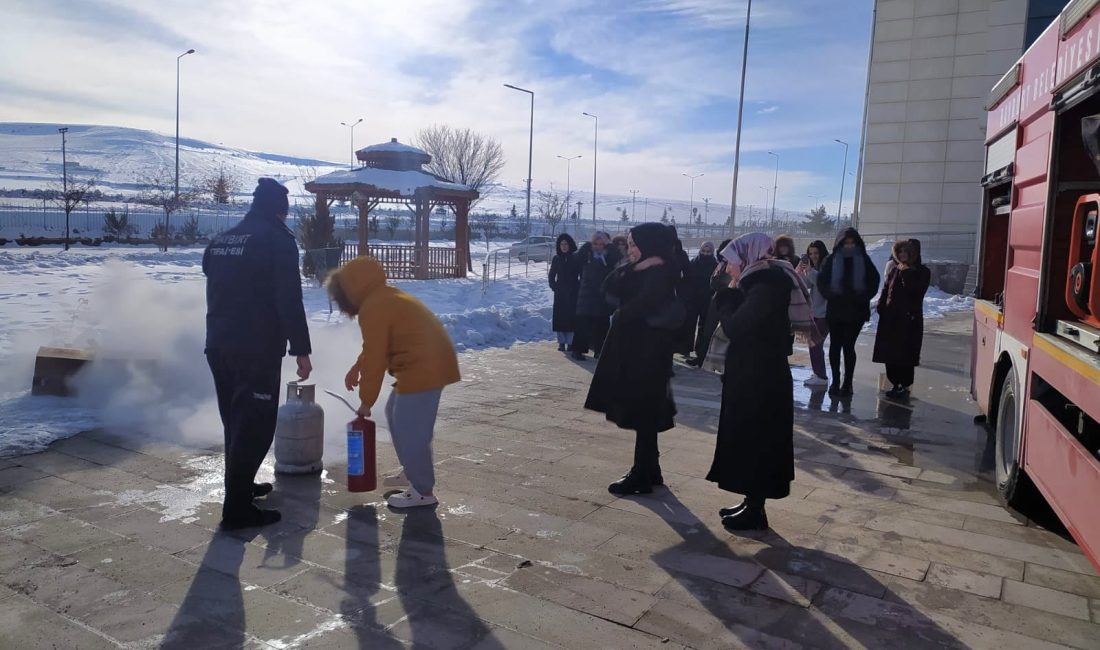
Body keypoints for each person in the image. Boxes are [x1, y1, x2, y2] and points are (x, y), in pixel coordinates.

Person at [204, 177, 312, 530]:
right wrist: (302, 349)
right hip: (256, 347)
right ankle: (236, 510)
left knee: (235, 421)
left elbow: (213, 275)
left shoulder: (223, 239)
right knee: (255, 425)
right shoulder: (277, 240)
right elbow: (288, 299)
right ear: (281, 210)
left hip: (219, 344)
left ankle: (242, 486)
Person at [329, 256, 461, 508]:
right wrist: (357, 367)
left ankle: (423, 491)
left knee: (411, 429)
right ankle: (412, 470)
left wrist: (366, 402)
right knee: (394, 413)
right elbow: (375, 345)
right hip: (423, 362)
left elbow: (377, 358)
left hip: (424, 366)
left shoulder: (374, 306)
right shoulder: (382, 296)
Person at [708, 233, 795, 531]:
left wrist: (725, 296)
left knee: (757, 441)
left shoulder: (765, 285)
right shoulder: (758, 281)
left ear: (747, 256)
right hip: (753, 374)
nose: (730, 269)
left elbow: (736, 326)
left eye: (732, 263)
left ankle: (756, 510)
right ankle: (751, 501)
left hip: (761, 379)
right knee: (748, 439)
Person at [585, 223, 678, 495]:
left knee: (644, 409)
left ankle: (641, 473)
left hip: (648, 352)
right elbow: (608, 288)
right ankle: (650, 468)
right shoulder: (645, 268)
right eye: (630, 245)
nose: (632, 250)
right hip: (637, 349)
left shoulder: (661, 272)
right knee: (646, 409)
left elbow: (642, 305)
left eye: (635, 245)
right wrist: (635, 266)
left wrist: (621, 314)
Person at [817, 228, 881, 397]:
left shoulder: (863, 259)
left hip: (856, 311)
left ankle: (847, 383)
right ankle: (836, 382)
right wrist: (830, 294)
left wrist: (863, 296)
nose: (849, 245)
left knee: (848, 346)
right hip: (836, 310)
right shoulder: (831, 260)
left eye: (852, 242)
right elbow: (821, 281)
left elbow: (874, 281)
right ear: (840, 243)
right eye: (846, 243)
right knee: (835, 346)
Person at [873, 239, 931, 400]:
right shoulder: (894, 270)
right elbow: (886, 289)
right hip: (890, 319)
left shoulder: (922, 272)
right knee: (889, 354)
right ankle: (895, 384)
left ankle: (904, 386)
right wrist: (881, 306)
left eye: (906, 252)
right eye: (900, 252)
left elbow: (917, 291)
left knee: (905, 355)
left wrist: (906, 273)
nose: (903, 255)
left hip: (908, 321)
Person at [573, 231, 621, 360]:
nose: (598, 246)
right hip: (586, 297)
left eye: (601, 244)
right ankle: (578, 350)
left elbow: (618, 256)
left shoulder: (609, 256)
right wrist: (589, 244)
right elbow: (576, 258)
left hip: (601, 296)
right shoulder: (587, 254)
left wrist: (609, 243)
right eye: (596, 243)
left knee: (602, 326)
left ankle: (600, 350)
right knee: (583, 325)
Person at [692, 238, 733, 366]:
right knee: (707, 330)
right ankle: (701, 357)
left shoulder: (734, 265)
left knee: (727, 332)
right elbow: (713, 281)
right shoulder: (720, 264)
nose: (705, 253)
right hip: (715, 298)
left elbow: (727, 282)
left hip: (728, 300)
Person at [798, 240, 831, 387]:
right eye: (811, 253)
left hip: (825, 313)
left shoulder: (828, 265)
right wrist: (802, 271)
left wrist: (810, 272)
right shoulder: (816, 267)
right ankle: (819, 373)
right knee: (813, 344)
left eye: (816, 253)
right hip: (817, 312)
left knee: (815, 345)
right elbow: (807, 284)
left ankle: (821, 376)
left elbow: (822, 282)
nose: (813, 256)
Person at [683, 241, 718, 365]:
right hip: (693, 298)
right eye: (704, 251)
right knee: (689, 323)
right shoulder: (694, 262)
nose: (705, 254)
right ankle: (686, 348)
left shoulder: (715, 265)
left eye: (708, 252)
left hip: (707, 299)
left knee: (703, 326)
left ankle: (700, 351)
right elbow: (687, 279)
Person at [548, 233, 581, 353]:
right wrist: (554, 287)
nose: (564, 246)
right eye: (561, 244)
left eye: (566, 244)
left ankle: (571, 343)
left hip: (573, 291)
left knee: (572, 317)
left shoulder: (576, 257)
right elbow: (551, 275)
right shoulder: (557, 259)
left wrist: (580, 287)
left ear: (570, 244)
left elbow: (581, 274)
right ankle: (561, 342)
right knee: (560, 317)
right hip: (560, 292)